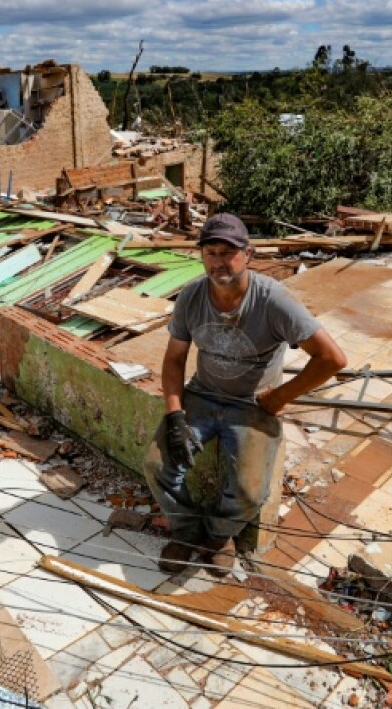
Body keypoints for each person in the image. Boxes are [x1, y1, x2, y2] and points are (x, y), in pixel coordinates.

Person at [143, 213, 346, 576]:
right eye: (211, 252)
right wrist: (175, 415)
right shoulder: (191, 296)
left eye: (229, 252)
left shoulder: (272, 301)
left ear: (248, 255)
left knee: (251, 491)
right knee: (157, 465)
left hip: (252, 404)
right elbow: (174, 359)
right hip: (202, 396)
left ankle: (220, 536)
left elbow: (332, 358)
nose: (220, 261)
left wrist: (279, 397)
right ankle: (188, 533)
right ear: (202, 256)